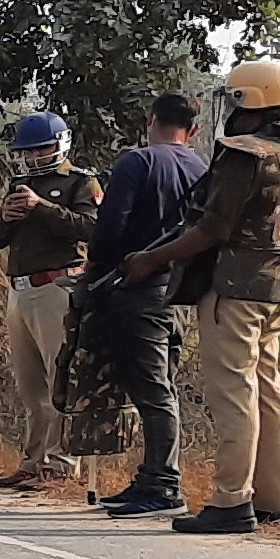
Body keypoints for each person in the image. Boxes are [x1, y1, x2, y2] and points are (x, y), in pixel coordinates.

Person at [119, 57, 280, 538]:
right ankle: (270, 498)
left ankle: (232, 500)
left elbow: (212, 228)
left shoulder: (242, 153)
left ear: (244, 103)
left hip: (234, 289)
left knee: (234, 393)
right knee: (268, 388)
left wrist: (149, 259)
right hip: (279, 288)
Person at [81, 91, 210, 519]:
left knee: (152, 388)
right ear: (193, 128)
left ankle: (163, 483)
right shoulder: (202, 169)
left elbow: (110, 225)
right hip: (176, 291)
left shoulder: (137, 162)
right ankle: (153, 474)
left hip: (136, 287)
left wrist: (99, 268)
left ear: (151, 119)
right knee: (160, 382)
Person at [0, 111, 105, 491]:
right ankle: (33, 461)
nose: (34, 157)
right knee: (31, 383)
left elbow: (93, 228)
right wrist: (5, 216)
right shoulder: (19, 183)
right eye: (27, 151)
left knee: (60, 375)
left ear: (61, 144)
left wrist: (43, 207)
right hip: (19, 288)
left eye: (42, 149)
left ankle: (61, 462)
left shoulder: (80, 181)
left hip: (58, 285)